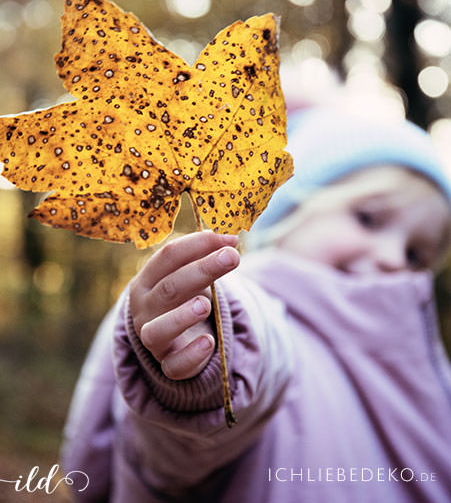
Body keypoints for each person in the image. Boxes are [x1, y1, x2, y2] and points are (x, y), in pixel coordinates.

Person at [61, 106, 451, 503]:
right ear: (292, 208)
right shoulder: (261, 312)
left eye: (417, 254)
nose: (393, 258)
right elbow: (249, 364)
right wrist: (209, 356)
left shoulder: (425, 374)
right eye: (368, 219)